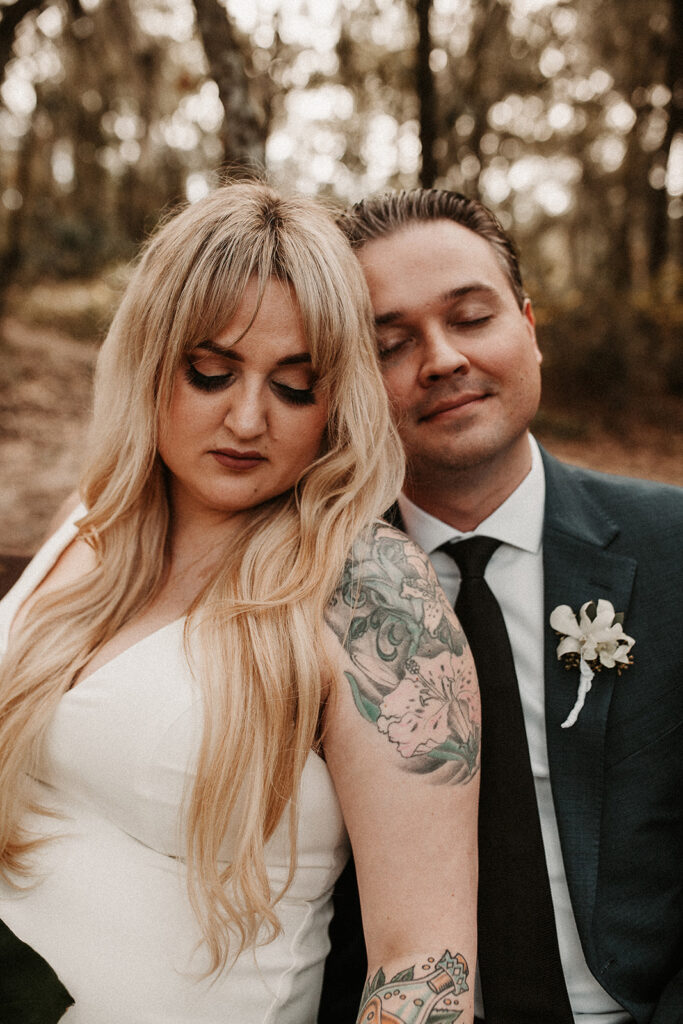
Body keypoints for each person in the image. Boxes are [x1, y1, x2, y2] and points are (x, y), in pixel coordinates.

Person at [0, 183, 481, 1023]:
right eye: (211, 373)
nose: (249, 419)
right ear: (152, 357)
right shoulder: (95, 518)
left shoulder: (372, 593)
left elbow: (425, 964)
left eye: (296, 386)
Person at [319, 188, 683, 1024]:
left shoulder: (670, 552)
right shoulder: (309, 591)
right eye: (389, 342)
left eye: (471, 317)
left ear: (529, 326)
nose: (441, 359)